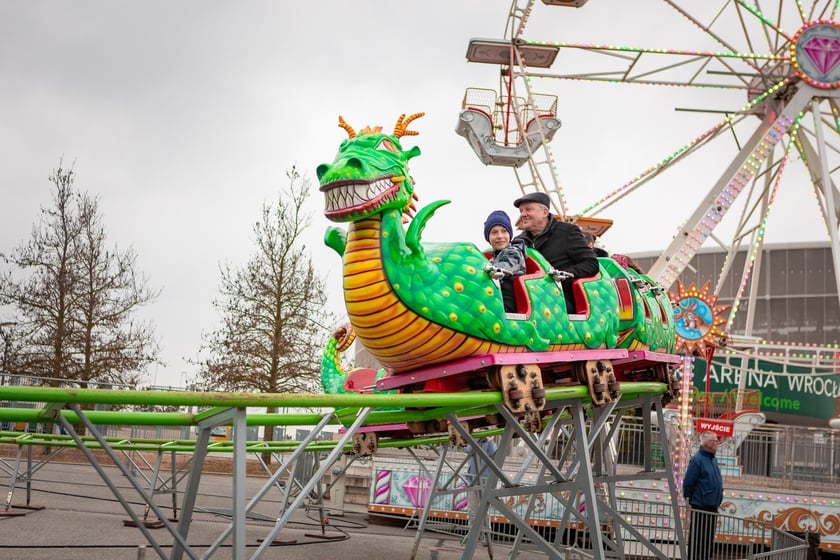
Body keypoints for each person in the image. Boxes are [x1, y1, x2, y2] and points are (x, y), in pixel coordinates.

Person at [513, 192, 598, 313]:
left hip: (561, 299)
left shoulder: (567, 232)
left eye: (528, 210)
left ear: (545, 212)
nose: (523, 215)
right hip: (527, 298)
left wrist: (563, 275)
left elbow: (591, 264)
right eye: (521, 211)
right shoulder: (518, 241)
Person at [682, 431, 723, 560]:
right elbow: (689, 482)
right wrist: (691, 497)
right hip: (701, 505)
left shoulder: (712, 460)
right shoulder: (697, 460)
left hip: (712, 505)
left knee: (708, 539)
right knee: (698, 538)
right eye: (714, 441)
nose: (716, 443)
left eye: (717, 441)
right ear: (706, 443)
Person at [483, 210, 527, 313]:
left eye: (504, 231)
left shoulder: (514, 253)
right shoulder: (492, 259)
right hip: (496, 298)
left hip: (509, 302)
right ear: (488, 237)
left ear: (510, 234)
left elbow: (502, 267)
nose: (500, 236)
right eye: (494, 232)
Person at [464, 436, 499, 534]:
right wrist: (474, 440)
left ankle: (486, 532)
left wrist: (490, 440)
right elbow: (467, 449)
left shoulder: (489, 444)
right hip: (473, 480)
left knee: (484, 508)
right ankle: (472, 532)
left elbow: (494, 453)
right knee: (472, 508)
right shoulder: (474, 442)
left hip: (485, 480)